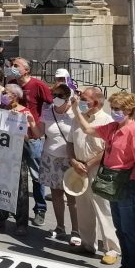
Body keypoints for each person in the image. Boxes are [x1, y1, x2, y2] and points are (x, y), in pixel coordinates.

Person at [70, 92, 135, 268]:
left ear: (129, 110)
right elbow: (87, 129)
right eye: (113, 108)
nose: (114, 112)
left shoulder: (134, 132)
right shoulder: (113, 127)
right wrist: (76, 109)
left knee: (130, 228)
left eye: (118, 109)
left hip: (129, 183)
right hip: (113, 182)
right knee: (120, 227)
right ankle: (126, 266)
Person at [67, 87, 120, 265]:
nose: (80, 101)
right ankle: (88, 243)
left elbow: (108, 149)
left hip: (98, 169)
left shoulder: (107, 121)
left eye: (84, 99)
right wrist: (73, 161)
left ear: (95, 103)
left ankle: (112, 249)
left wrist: (89, 164)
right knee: (83, 208)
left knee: (103, 209)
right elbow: (70, 142)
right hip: (78, 167)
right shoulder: (77, 119)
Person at [0, 83, 41, 236]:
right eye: (3, 92)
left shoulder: (24, 111)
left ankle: (21, 223)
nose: (3, 94)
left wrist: (24, 122)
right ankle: (0, 218)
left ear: (15, 96)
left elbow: (32, 136)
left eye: (6, 92)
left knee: (20, 190)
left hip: (18, 155)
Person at [6, 57, 53, 225]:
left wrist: (40, 128)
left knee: (36, 176)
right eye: (11, 65)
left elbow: (50, 106)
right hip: (14, 136)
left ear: (26, 70)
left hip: (32, 138)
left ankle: (40, 208)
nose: (12, 68)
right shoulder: (12, 83)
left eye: (16, 66)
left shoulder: (38, 85)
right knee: (15, 174)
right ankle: (15, 206)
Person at [39, 83, 79, 242]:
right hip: (50, 158)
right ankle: (60, 227)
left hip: (69, 160)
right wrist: (26, 120)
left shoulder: (75, 114)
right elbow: (39, 132)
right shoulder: (47, 112)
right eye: (54, 95)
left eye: (60, 96)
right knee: (56, 195)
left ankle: (76, 231)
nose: (55, 98)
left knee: (72, 198)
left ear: (68, 98)